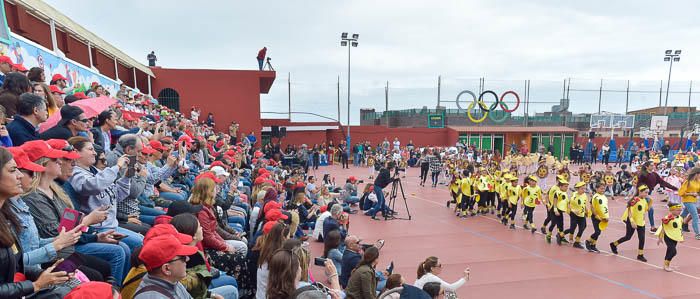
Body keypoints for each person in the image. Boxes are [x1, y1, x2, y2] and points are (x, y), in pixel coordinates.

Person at [0, 146, 74, 298]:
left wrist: (46, 275)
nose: (20, 176)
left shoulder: (7, 213)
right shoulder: (30, 200)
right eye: (13, 170)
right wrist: (36, 285)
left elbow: (15, 260)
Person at [134, 234, 199, 299]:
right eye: (182, 258)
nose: (187, 259)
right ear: (166, 269)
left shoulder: (173, 282)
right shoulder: (152, 297)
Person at [610, 185, 650, 262]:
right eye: (645, 192)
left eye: (647, 192)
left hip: (641, 222)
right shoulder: (635, 200)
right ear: (640, 192)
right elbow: (629, 211)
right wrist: (632, 221)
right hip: (632, 222)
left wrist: (644, 220)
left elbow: (643, 212)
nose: (646, 194)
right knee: (628, 237)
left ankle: (640, 255)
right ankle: (614, 244)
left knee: (642, 239)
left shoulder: (644, 200)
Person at [656, 203, 684, 272]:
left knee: (669, 251)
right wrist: (660, 237)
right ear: (672, 210)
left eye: (680, 210)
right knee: (673, 251)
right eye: (678, 210)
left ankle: (665, 265)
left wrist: (681, 237)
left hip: (675, 237)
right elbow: (662, 228)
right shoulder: (667, 218)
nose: (679, 212)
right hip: (668, 237)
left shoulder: (680, 218)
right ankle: (666, 264)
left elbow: (679, 228)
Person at [585, 180, 610, 253]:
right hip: (596, 216)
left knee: (599, 232)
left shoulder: (604, 197)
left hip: (603, 216)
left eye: (604, 188)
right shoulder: (595, 197)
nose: (603, 190)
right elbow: (592, 207)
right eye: (601, 188)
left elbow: (605, 207)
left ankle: (593, 245)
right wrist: (596, 215)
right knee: (597, 231)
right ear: (596, 189)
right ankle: (588, 241)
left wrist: (606, 216)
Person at [678, 167, 700, 240]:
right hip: (687, 201)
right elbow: (681, 193)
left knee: (683, 215)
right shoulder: (687, 182)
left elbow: (698, 192)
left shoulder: (698, 182)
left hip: (694, 201)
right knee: (695, 216)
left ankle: (673, 224)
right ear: (696, 174)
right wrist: (691, 193)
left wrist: (697, 193)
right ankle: (698, 233)